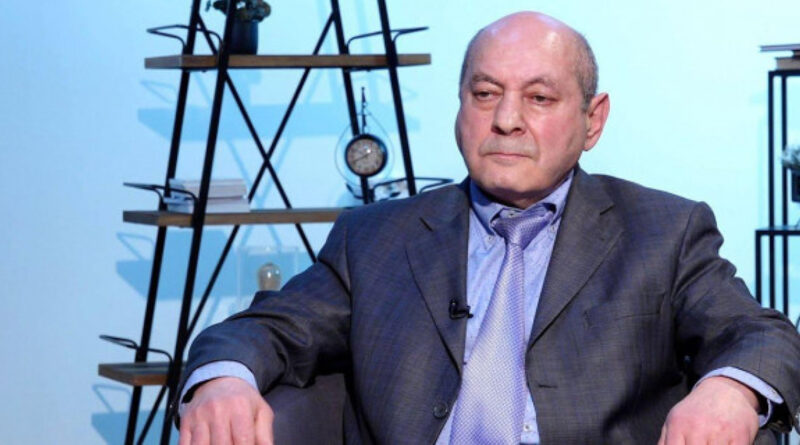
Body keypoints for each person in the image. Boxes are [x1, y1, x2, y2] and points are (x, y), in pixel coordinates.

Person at [176, 11, 800, 445]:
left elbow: (760, 333)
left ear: (593, 120)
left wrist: (729, 391)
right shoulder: (375, 239)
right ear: (460, 107)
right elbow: (264, 329)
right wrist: (224, 380)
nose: (505, 119)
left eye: (539, 98)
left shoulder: (663, 231)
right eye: (484, 93)